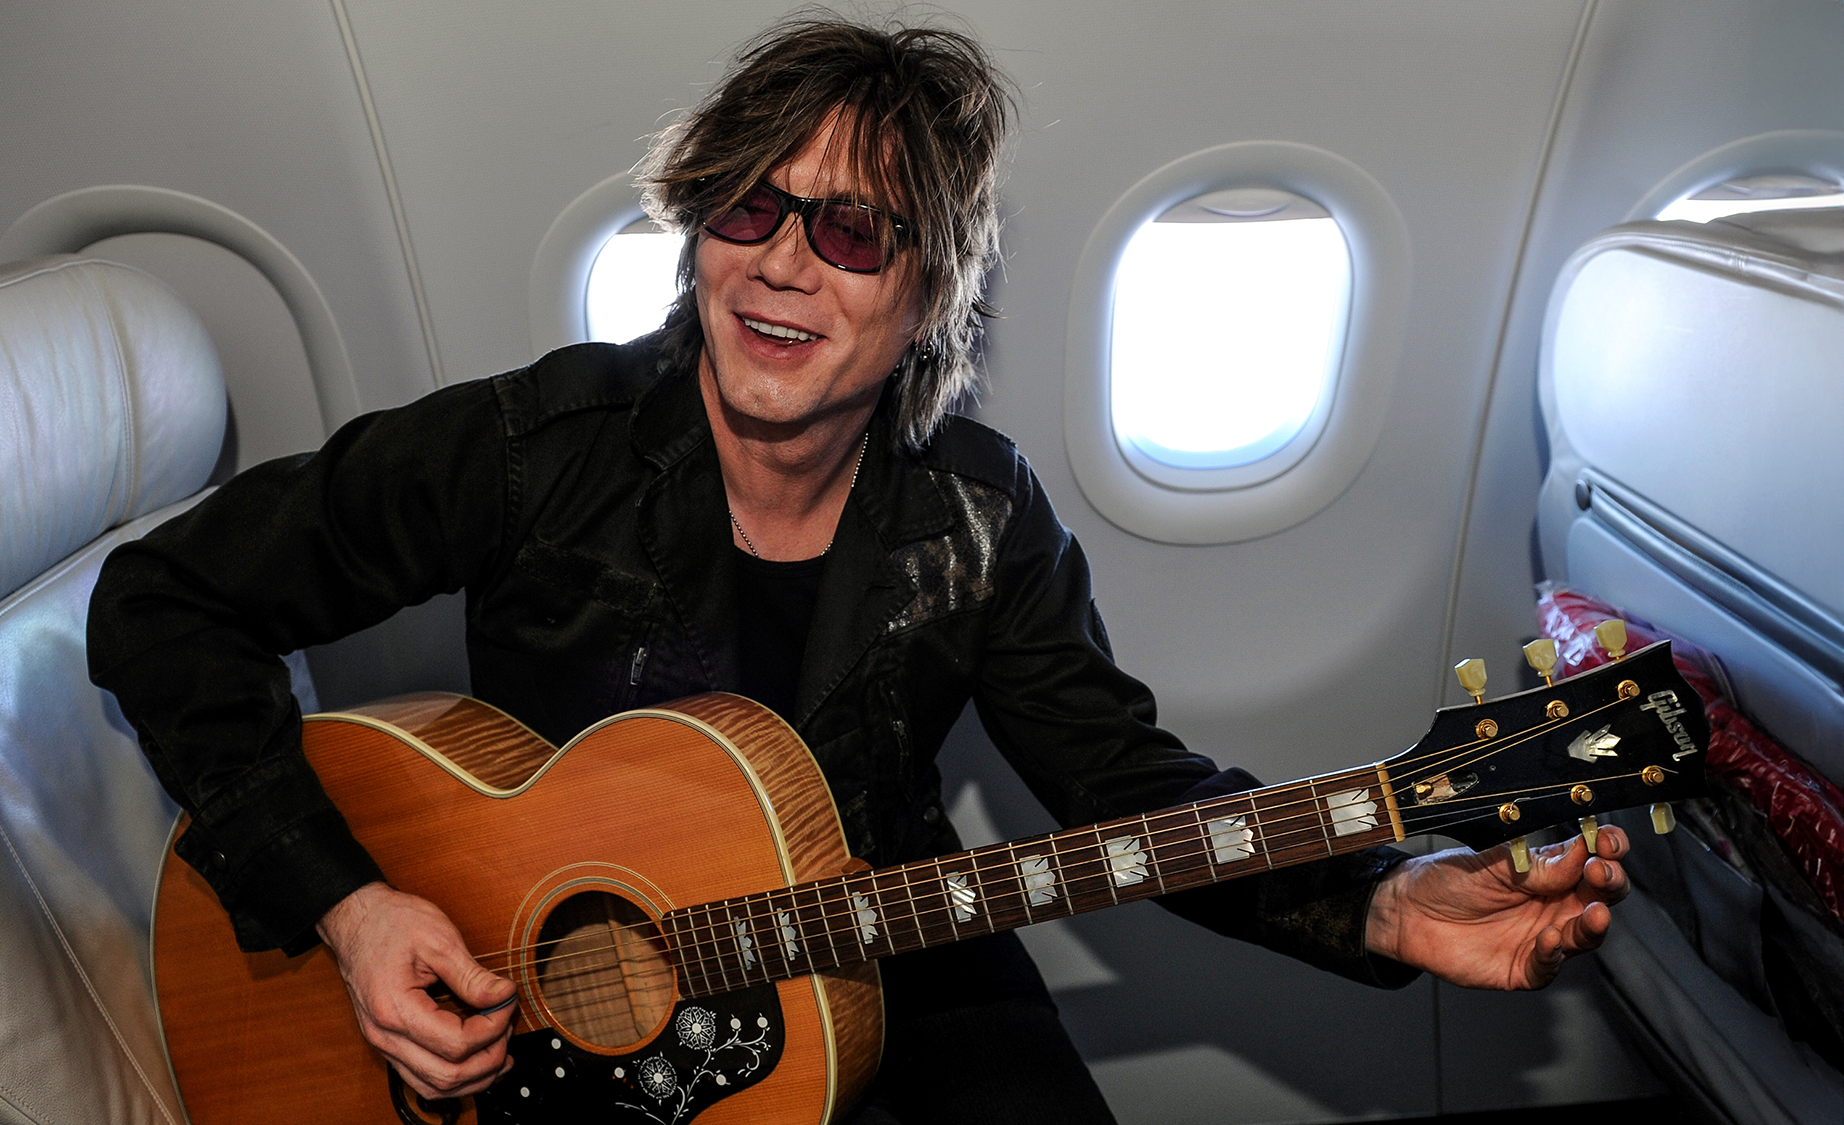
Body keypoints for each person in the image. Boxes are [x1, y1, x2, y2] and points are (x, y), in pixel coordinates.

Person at [86, 14, 1631, 1123]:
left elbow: (1128, 787)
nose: (779, 261)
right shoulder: (534, 444)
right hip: (531, 1013)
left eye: (851, 233)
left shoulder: (979, 517)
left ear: (930, 298)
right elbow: (163, 602)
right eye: (748, 205)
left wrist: (1382, 894)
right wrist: (349, 904)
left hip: (879, 956)